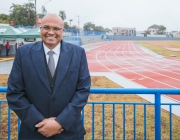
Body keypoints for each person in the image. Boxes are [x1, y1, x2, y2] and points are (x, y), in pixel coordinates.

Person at [6, 13, 91, 140]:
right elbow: (14, 92)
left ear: (63, 31)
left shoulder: (78, 53)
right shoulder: (24, 53)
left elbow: (83, 90)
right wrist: (40, 123)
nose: (51, 32)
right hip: (34, 132)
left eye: (56, 28)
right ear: (40, 29)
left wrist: (60, 122)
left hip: (69, 131)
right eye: (46, 27)